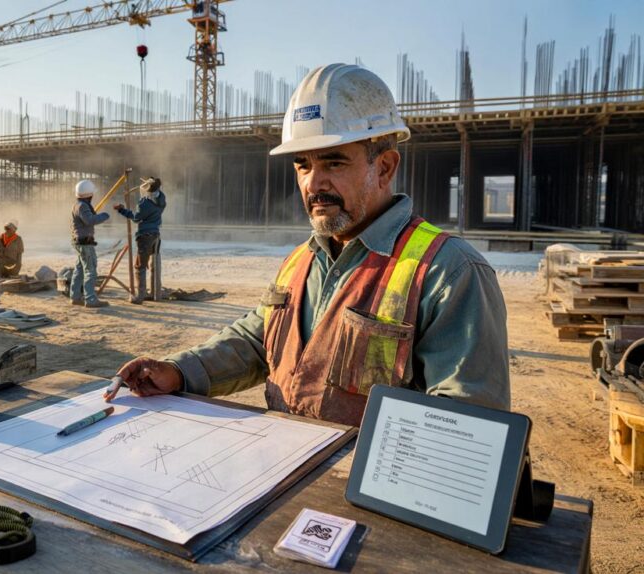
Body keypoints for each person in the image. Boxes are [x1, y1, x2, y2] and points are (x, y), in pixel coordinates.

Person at [115, 64, 510, 426]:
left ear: (385, 167)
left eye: (333, 163)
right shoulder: (302, 260)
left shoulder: (449, 272)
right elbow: (257, 341)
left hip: (360, 495)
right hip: (286, 478)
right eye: (303, 165)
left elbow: (465, 426)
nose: (313, 183)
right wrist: (179, 371)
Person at [114, 177, 166, 304]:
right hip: (156, 234)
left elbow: (136, 218)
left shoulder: (144, 203)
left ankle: (139, 296)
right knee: (155, 263)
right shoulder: (162, 198)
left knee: (140, 265)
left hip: (145, 236)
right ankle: (156, 293)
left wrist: (122, 210)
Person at [70, 179, 111, 309]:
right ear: (89, 195)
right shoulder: (82, 206)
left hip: (80, 242)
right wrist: (104, 215)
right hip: (85, 243)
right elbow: (90, 220)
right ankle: (90, 299)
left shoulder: (78, 205)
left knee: (80, 269)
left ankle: (75, 297)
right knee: (90, 270)